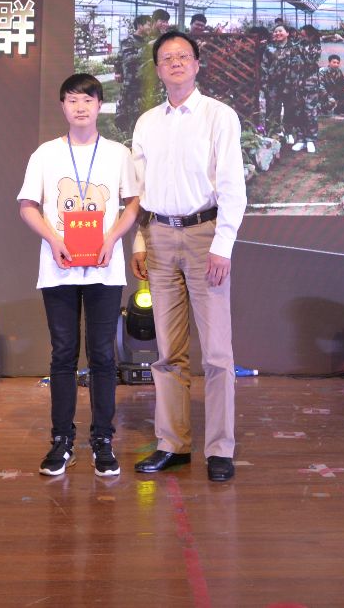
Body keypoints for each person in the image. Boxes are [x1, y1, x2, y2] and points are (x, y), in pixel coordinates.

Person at [131, 30, 247, 482]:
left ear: (197, 65)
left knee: (216, 353)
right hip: (158, 237)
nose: (176, 63)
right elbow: (139, 189)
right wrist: (140, 240)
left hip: (205, 237)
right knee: (167, 352)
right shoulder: (147, 123)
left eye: (183, 56)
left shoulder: (219, 116)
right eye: (167, 58)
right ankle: (172, 444)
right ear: (158, 70)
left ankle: (220, 448)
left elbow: (232, 185)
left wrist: (223, 245)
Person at [17, 74, 141, 476]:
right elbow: (27, 205)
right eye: (72, 100)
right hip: (59, 267)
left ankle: (103, 440)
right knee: (63, 354)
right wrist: (53, 239)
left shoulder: (118, 153)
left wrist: (112, 238)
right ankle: (62, 440)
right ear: (63, 107)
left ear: (100, 105)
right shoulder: (46, 154)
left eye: (88, 99)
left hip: (105, 267)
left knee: (103, 355)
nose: (81, 107)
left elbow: (133, 203)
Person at [259, 23, 295, 144]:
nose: (277, 33)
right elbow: (264, 66)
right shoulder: (269, 48)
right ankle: (273, 132)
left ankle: (288, 132)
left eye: (280, 31)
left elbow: (298, 66)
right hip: (273, 84)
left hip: (290, 84)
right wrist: (265, 83)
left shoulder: (295, 48)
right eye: (275, 31)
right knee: (272, 109)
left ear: (287, 33)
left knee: (290, 108)